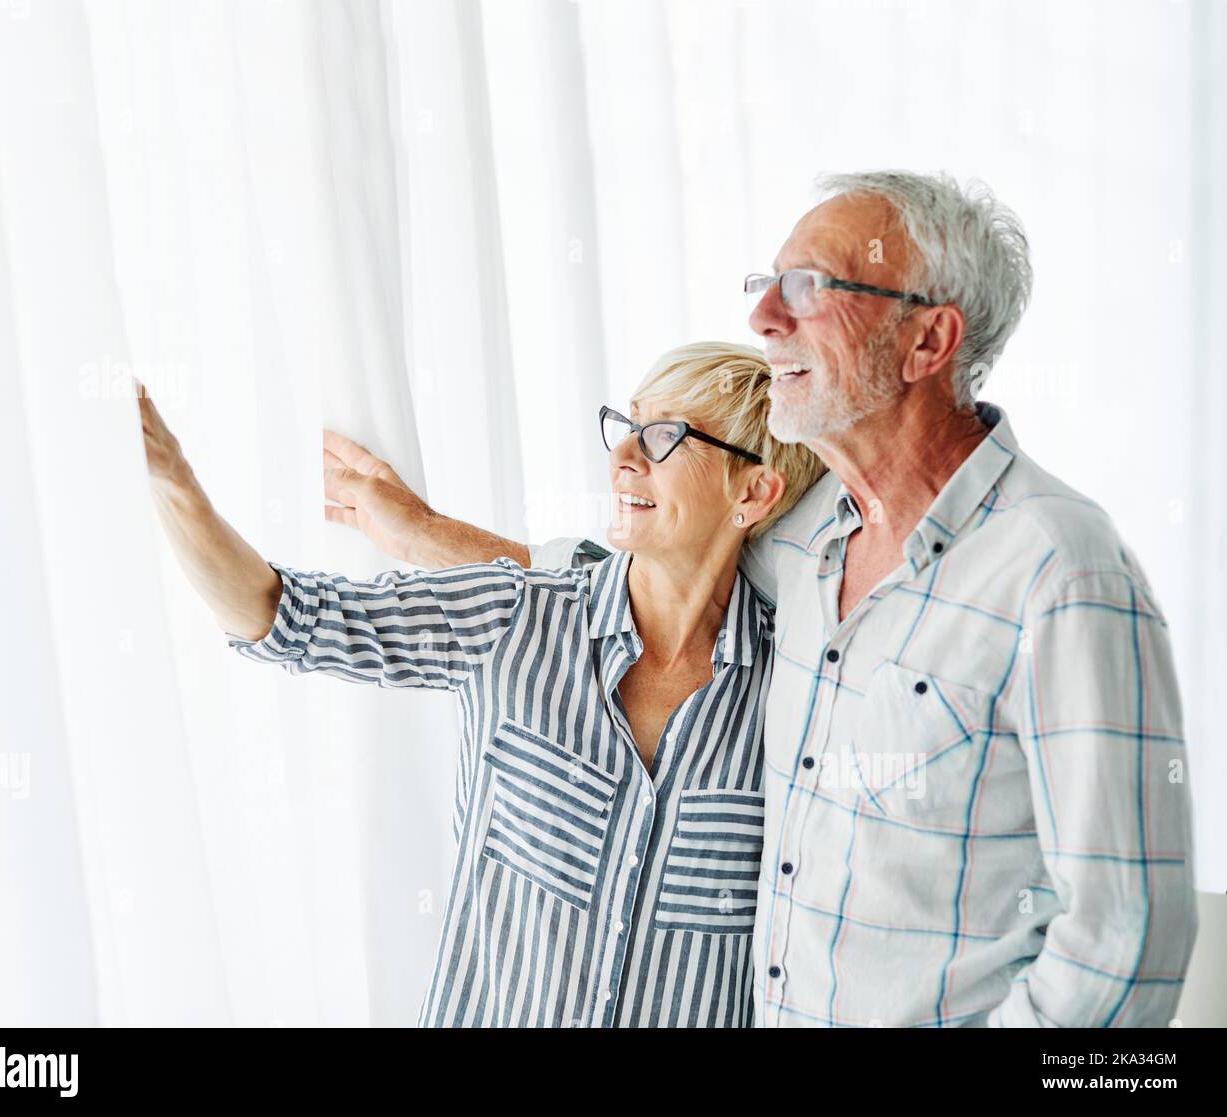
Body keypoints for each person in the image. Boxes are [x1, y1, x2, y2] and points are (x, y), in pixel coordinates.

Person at [326, 171, 1199, 1027]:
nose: (763, 318)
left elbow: (1127, 945)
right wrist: (418, 532)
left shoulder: (1062, 572)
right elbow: (628, 568)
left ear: (928, 342)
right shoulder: (804, 541)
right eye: (767, 285)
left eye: (808, 287)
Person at [137, 341, 825, 1027]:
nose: (623, 457)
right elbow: (278, 615)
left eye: (665, 435)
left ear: (755, 490)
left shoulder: (792, 696)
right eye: (627, 426)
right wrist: (170, 477)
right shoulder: (516, 616)